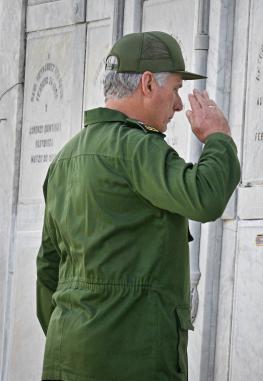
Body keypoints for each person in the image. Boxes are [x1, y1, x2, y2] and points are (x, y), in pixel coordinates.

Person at [35, 31, 241, 380]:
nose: (179, 104)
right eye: (176, 89)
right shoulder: (137, 148)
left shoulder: (65, 158)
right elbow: (204, 196)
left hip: (66, 354)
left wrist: (79, 332)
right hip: (132, 358)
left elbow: (48, 268)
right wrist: (219, 139)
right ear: (147, 84)